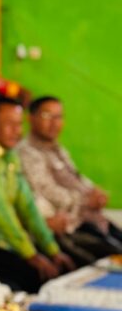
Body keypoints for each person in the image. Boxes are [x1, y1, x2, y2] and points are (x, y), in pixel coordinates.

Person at [0, 97, 75, 292]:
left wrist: (52, 249)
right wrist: (31, 255)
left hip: (7, 243)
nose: (17, 131)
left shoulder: (8, 154)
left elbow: (27, 205)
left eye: (19, 124)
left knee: (63, 267)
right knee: (38, 279)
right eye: (9, 124)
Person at [18, 96, 122, 259]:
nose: (54, 123)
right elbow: (47, 191)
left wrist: (94, 192)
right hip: (66, 227)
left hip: (87, 218)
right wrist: (86, 200)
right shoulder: (27, 153)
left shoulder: (57, 148)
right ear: (30, 118)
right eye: (47, 116)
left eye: (59, 117)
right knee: (113, 257)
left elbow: (76, 178)